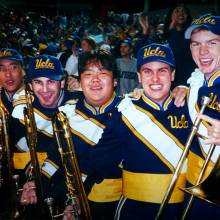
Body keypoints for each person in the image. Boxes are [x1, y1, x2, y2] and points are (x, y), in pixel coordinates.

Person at [114, 43, 199, 220]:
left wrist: (186, 89)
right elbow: (103, 158)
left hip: (182, 208)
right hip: (135, 208)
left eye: (162, 70)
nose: (155, 79)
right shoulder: (125, 109)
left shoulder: (190, 105)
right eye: (147, 71)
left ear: (173, 74)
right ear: (138, 76)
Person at [10, 54, 81, 219]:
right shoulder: (22, 113)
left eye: (51, 81)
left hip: (71, 186)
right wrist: (33, 181)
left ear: (62, 82)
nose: (45, 89)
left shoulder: (79, 104)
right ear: (30, 85)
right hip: (37, 183)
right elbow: (20, 153)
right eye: (38, 82)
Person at [58, 49, 123, 220]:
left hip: (118, 204)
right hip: (69, 197)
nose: (95, 80)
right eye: (88, 74)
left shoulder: (129, 111)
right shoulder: (67, 112)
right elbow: (57, 157)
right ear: (80, 81)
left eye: (102, 73)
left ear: (115, 81)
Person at [179, 13, 220, 219]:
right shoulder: (197, 79)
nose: (202, 51)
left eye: (212, 42)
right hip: (195, 181)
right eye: (196, 44)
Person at [0, 48, 24, 219]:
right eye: (2, 69)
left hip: (31, 173)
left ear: (23, 71)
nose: (8, 74)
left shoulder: (39, 95)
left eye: (13, 67)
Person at [163, 3, 196, 88]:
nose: (181, 14)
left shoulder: (193, 34)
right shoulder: (162, 36)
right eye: (177, 11)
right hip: (169, 83)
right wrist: (171, 26)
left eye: (184, 12)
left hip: (189, 81)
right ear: (171, 14)